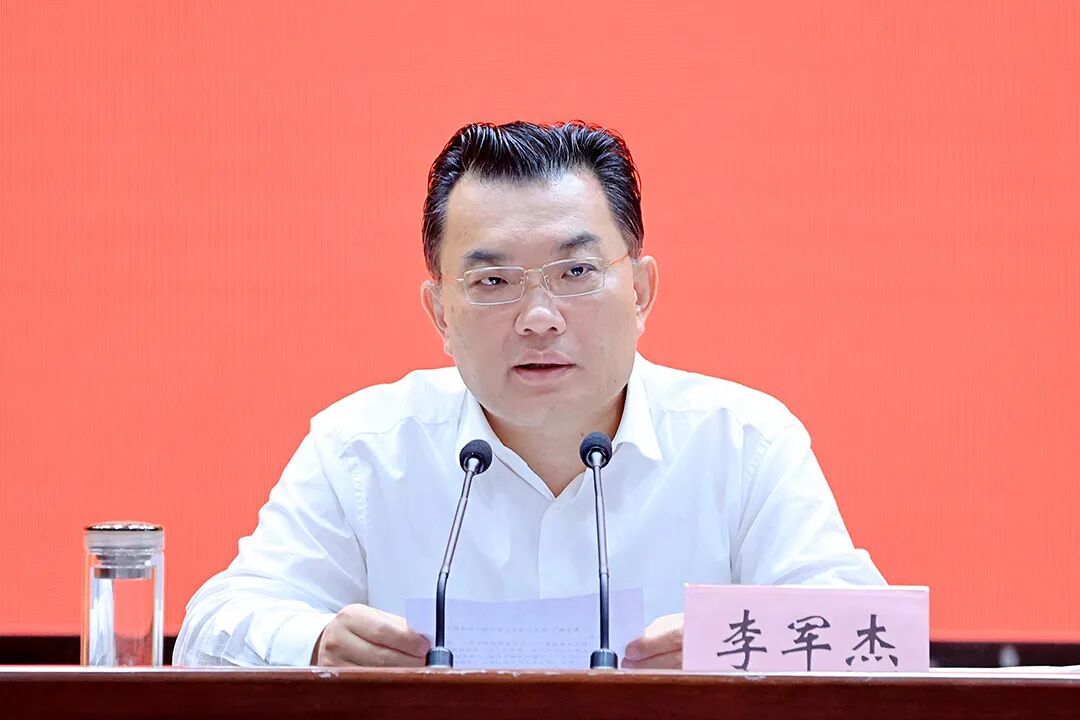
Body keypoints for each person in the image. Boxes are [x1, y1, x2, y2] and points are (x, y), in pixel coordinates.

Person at [174, 121, 885, 669]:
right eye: (493, 282)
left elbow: (874, 638)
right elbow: (212, 628)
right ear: (440, 314)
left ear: (640, 292)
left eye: (576, 273)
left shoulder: (743, 442)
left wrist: (733, 644)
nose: (539, 317)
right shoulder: (362, 448)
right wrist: (315, 641)